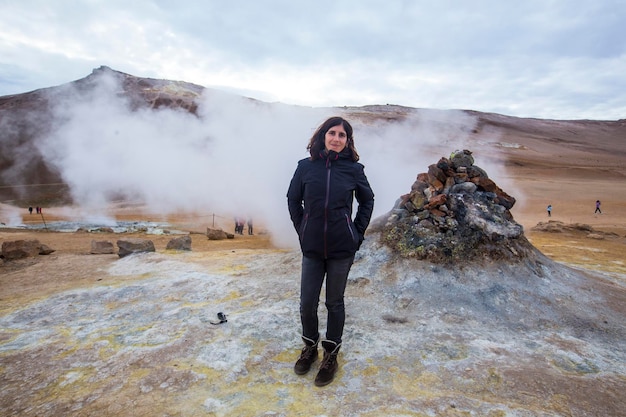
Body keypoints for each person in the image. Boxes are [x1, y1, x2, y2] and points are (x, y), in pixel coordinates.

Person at [287, 116, 375, 387]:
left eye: (342, 135)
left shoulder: (353, 169)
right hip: (312, 247)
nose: (337, 138)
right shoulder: (305, 167)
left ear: (348, 141)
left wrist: (356, 233)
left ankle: (331, 354)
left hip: (341, 249)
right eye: (332, 133)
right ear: (323, 135)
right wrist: (303, 229)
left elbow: (367, 200)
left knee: (334, 302)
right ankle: (310, 347)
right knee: (307, 303)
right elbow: (293, 199)